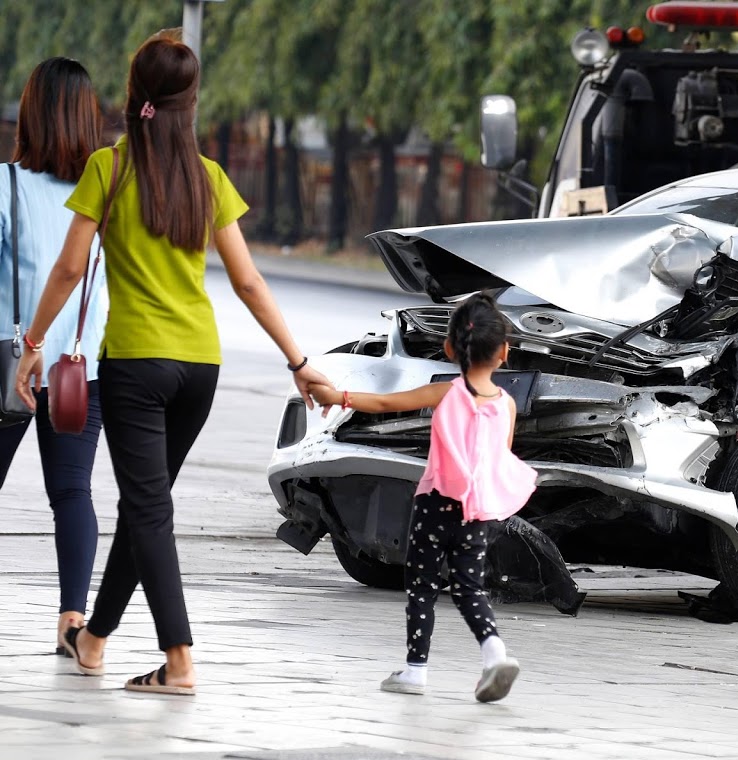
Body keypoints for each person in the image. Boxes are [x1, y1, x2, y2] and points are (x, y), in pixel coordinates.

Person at [15, 31, 329, 696]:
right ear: (190, 103)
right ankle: (94, 639)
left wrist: (34, 341)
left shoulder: (110, 168)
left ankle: (179, 659)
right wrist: (298, 361)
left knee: (148, 510)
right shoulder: (208, 177)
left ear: (134, 95)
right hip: (200, 366)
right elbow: (248, 282)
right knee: (144, 507)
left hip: (136, 363)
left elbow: (71, 267)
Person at [308, 293, 535, 703]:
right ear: (504, 351)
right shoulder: (507, 405)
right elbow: (498, 456)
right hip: (477, 512)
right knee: (469, 587)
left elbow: (382, 402)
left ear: (449, 348)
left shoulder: (444, 393)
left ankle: (415, 670)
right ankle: (494, 654)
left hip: (435, 506)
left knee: (422, 586)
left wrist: (337, 398)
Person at [0, 58, 105, 656]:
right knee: (73, 491)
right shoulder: (110, 194)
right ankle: (73, 621)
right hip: (80, 369)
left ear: (30, 115)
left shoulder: (7, 185)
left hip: (12, 363)